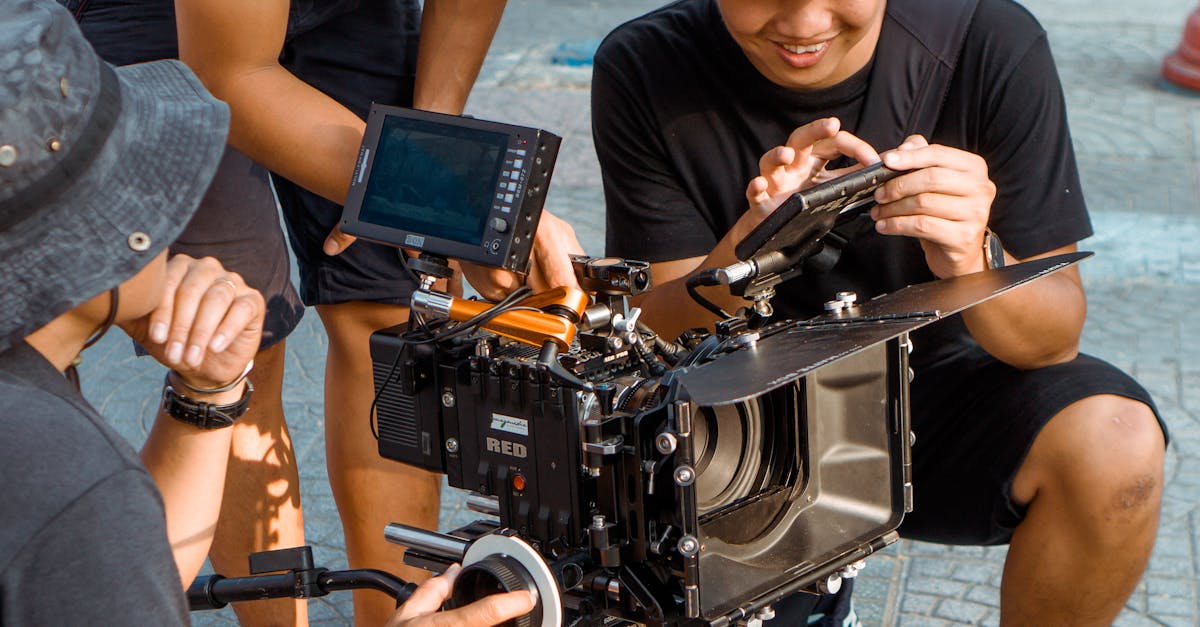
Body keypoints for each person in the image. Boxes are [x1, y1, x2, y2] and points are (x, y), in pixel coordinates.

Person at [592, 0, 1167, 624]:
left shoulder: (986, 40)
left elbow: (1051, 340)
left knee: (1115, 445)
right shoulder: (647, 63)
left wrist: (973, 258)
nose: (804, 24)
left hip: (935, 394)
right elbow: (652, 338)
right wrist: (751, 247)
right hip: (739, 418)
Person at [0, 2, 537, 626]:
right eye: (155, 189)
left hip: (349, 15)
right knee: (236, 335)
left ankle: (401, 607)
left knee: (387, 319)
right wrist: (448, 202)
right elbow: (230, 72)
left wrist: (419, 172)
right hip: (171, 20)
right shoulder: (85, 493)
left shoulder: (79, 486)